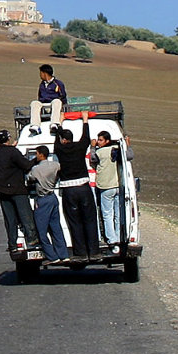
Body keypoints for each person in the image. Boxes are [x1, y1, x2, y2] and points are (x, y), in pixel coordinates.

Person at [53, 111, 101, 262]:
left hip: (69, 190)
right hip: (84, 188)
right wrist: (85, 120)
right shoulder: (80, 147)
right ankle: (93, 251)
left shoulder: (60, 150)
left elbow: (56, 139)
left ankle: (80, 253)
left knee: (75, 221)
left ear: (63, 140)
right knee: (90, 219)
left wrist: (60, 121)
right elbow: (86, 137)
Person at [0, 129, 40, 252]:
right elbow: (26, 165)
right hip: (17, 189)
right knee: (25, 215)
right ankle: (32, 240)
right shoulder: (13, 152)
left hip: (2, 190)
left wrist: (12, 149)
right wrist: (36, 159)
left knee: (10, 219)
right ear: (8, 139)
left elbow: (5, 157)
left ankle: (12, 244)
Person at [90, 131, 134, 254]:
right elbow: (130, 156)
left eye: (100, 140)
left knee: (107, 214)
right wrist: (127, 144)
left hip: (105, 186)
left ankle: (111, 239)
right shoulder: (117, 150)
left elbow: (92, 159)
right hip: (117, 186)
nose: (98, 142)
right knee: (117, 213)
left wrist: (93, 146)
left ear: (106, 141)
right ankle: (119, 236)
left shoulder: (100, 152)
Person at [26, 146, 70, 263]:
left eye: (37, 154)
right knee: (56, 227)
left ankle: (52, 256)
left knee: (42, 231)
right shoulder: (55, 165)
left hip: (43, 199)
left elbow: (29, 178)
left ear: (41, 154)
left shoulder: (36, 169)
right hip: (52, 197)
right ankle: (63, 254)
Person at [29, 64, 67, 135]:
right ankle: (35, 125)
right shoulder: (42, 85)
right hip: (44, 105)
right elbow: (39, 96)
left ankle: (54, 124)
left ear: (44, 73)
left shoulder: (58, 83)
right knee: (34, 103)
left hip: (53, 105)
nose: (40, 75)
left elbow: (63, 96)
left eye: (40, 73)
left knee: (57, 101)